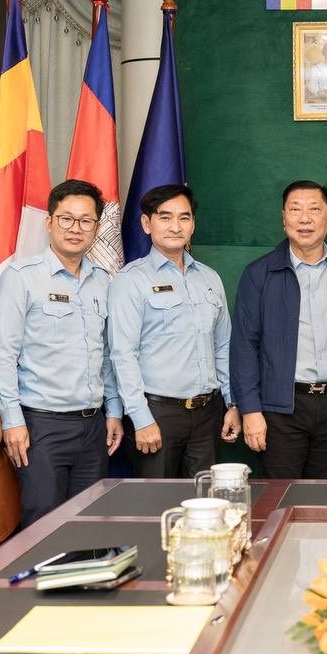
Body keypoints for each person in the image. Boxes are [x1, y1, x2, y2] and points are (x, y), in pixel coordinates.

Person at [0, 180, 123, 527]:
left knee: (89, 526)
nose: (75, 228)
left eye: (86, 221)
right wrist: (12, 420)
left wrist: (113, 410)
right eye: (67, 219)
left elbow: (106, 354)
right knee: (43, 527)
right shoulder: (21, 278)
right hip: (41, 426)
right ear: (49, 222)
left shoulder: (103, 281)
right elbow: (4, 355)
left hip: (93, 426)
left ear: (96, 228)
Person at [231, 180, 327, 477]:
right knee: (280, 496)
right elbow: (244, 346)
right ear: (284, 219)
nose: (305, 219)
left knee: (326, 498)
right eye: (295, 210)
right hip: (281, 410)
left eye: (314, 210)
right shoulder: (259, 273)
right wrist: (250, 410)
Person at [108, 184, 239, 477]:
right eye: (165, 217)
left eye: (184, 217)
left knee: (205, 499)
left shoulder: (210, 278)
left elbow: (223, 346)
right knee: (157, 502)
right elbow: (122, 354)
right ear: (147, 223)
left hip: (208, 414)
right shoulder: (131, 280)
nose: (175, 226)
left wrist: (232, 403)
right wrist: (140, 418)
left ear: (193, 224)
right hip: (157, 414)